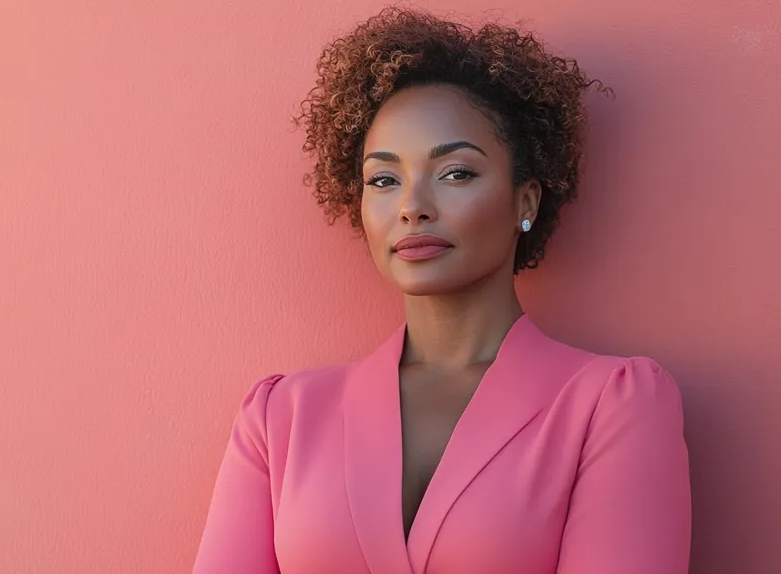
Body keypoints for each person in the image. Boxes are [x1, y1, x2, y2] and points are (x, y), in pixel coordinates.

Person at [192, 7, 691, 574]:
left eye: (455, 173)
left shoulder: (611, 405)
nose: (412, 207)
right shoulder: (280, 419)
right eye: (383, 179)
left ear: (525, 201)